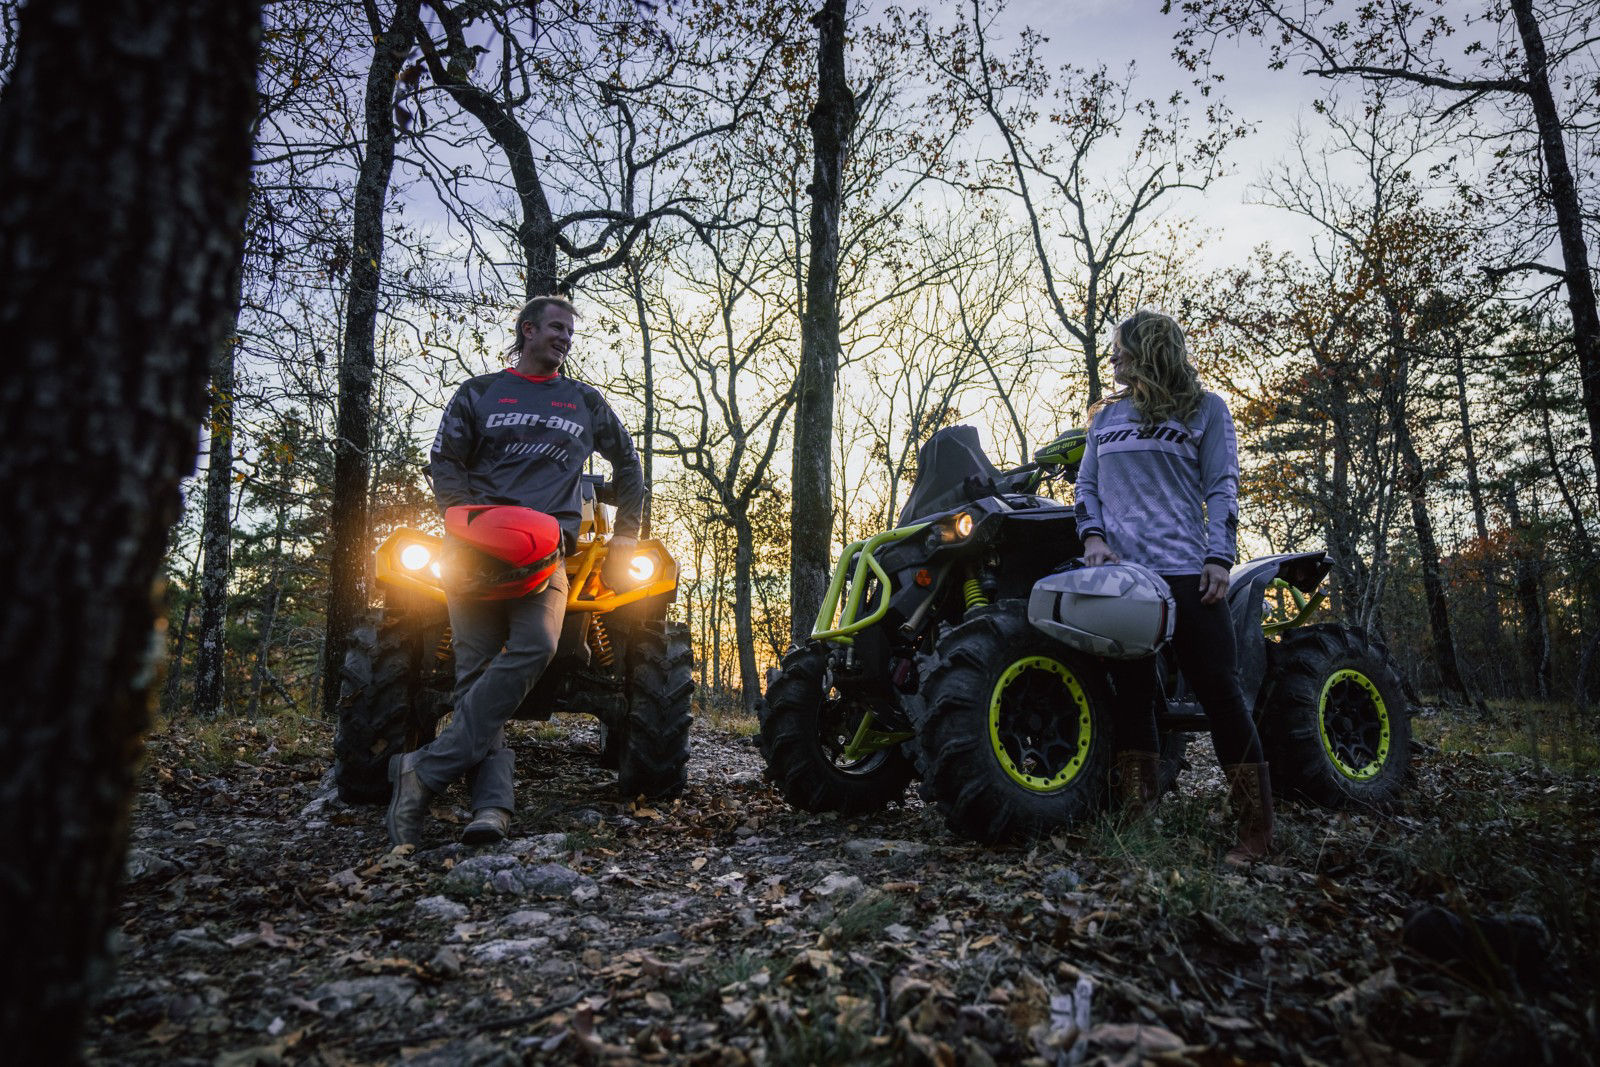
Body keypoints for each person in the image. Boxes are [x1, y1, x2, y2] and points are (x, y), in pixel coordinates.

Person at [386, 294, 647, 848]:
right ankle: (491, 809)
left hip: (549, 552)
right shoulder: (478, 394)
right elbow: (446, 463)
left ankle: (426, 768)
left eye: (570, 332)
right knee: (476, 678)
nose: (565, 338)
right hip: (474, 554)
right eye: (556, 328)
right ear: (527, 330)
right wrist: (465, 520)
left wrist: (627, 535)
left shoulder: (583, 401)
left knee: (536, 644)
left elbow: (627, 463)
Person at [1073, 308, 1273, 864]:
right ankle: (1139, 823)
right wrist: (1092, 538)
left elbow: (1223, 486)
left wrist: (1219, 557)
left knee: (1221, 695)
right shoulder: (1105, 420)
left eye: (1121, 349)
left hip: (1188, 574)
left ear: (1150, 350)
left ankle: (1256, 832)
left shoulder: (1206, 410)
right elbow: (1086, 486)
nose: (1111, 359)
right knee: (1133, 697)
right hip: (1123, 582)